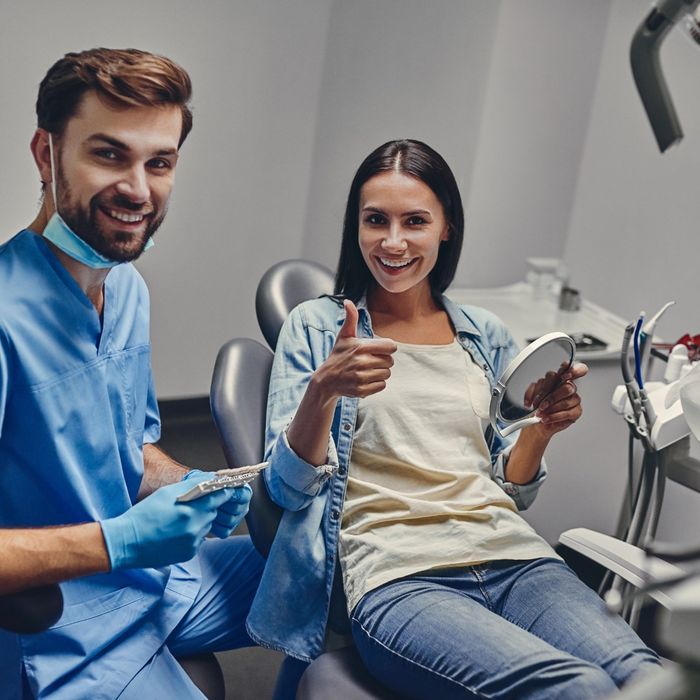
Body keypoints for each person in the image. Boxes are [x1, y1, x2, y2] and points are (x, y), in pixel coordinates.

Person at [246, 140, 661, 698]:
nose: (393, 242)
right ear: (357, 227)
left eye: (415, 221)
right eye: (376, 221)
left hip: (515, 557)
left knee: (649, 679)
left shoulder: (484, 334)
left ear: (446, 228)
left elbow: (511, 493)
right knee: (576, 687)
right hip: (398, 576)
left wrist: (540, 429)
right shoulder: (318, 328)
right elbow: (286, 491)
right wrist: (323, 391)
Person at [0, 48, 264, 698]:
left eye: (160, 163)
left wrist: (193, 484)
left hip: (150, 581)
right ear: (46, 153)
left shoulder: (128, 289)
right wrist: (119, 542)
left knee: (323, 567)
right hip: (58, 627)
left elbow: (127, 446)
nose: (138, 190)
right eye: (109, 155)